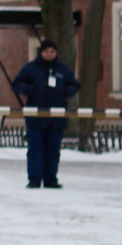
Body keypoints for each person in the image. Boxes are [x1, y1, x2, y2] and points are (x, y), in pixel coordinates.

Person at [11, 39, 78, 189]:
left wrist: (66, 92)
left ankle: (50, 179)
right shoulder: (31, 69)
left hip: (57, 118)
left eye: (52, 52)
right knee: (35, 149)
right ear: (41, 52)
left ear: (56, 53)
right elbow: (17, 84)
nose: (49, 54)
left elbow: (74, 85)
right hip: (36, 118)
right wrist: (30, 89)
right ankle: (34, 179)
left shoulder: (63, 70)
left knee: (53, 150)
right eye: (47, 51)